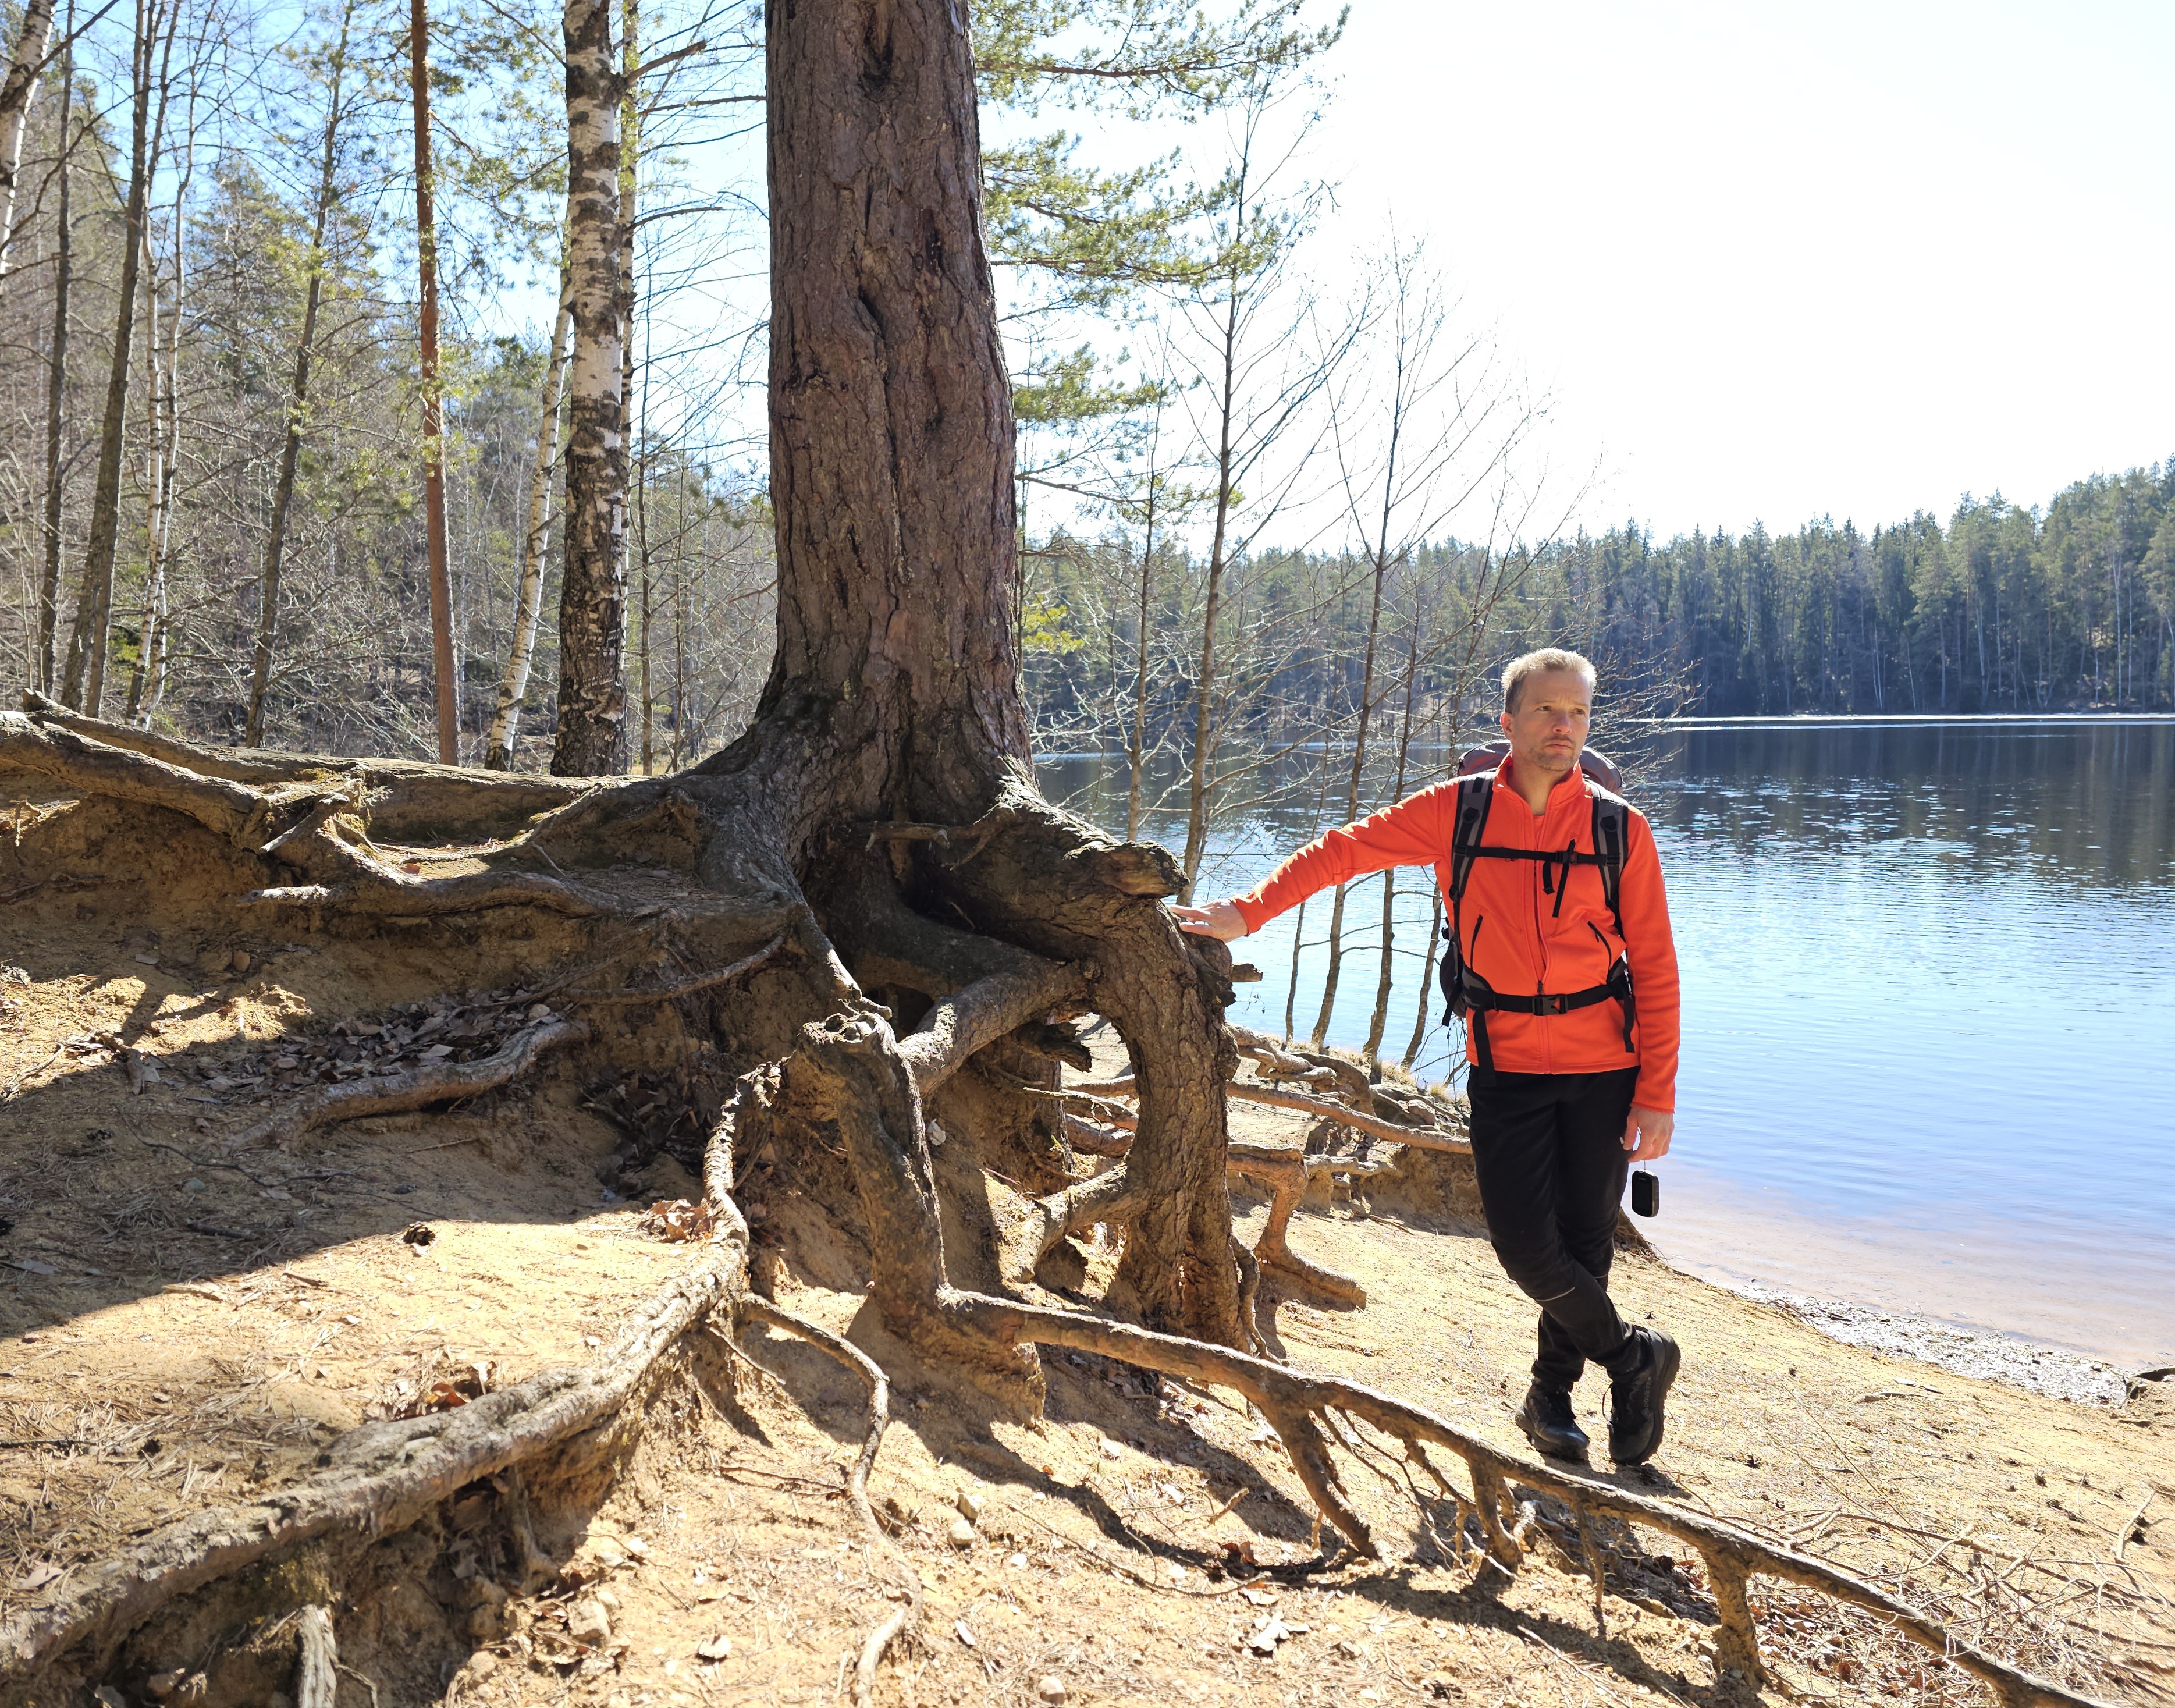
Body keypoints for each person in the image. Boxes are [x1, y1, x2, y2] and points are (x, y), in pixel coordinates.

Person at [1174, 647, 1683, 1466]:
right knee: (1525, 1246)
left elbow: (1654, 967)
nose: (1563, 726)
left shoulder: (1620, 830)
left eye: (1578, 713)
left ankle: (1551, 1399)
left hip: (1604, 1066)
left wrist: (1656, 1092)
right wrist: (1249, 911)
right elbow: (1343, 851)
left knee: (1586, 1239)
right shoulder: (1458, 812)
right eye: (1547, 710)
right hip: (1506, 1063)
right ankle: (1634, 1359)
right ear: (1508, 721)